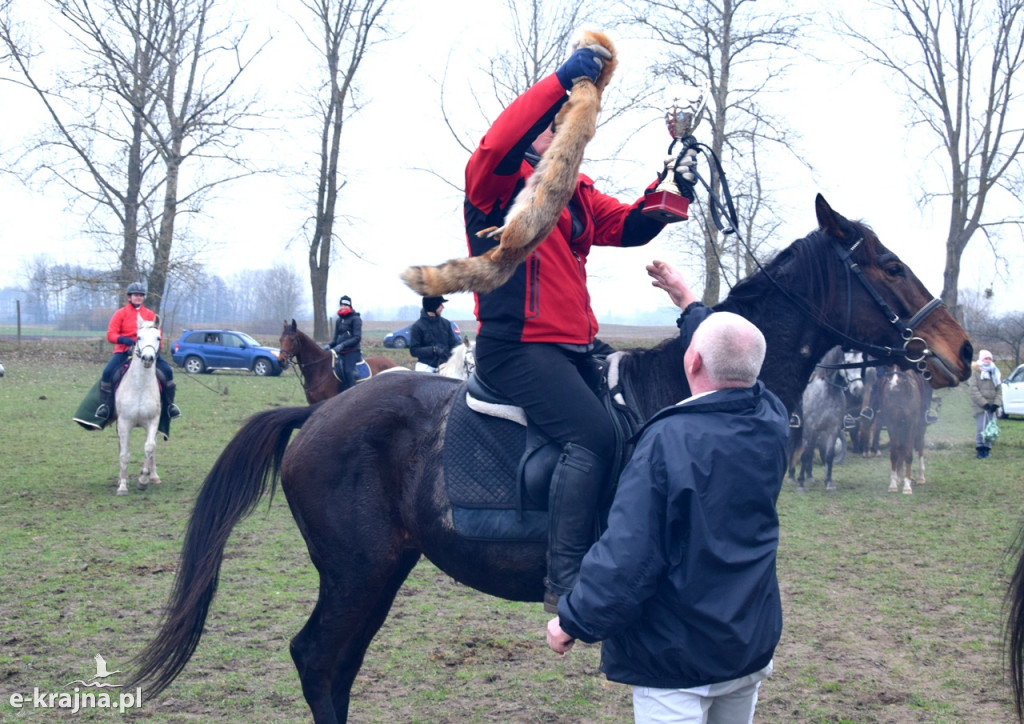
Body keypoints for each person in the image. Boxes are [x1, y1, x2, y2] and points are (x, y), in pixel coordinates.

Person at [466, 40, 692, 612]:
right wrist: (562, 79)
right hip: (516, 346)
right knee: (590, 436)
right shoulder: (494, 186)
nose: (561, 134)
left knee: (626, 425)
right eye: (551, 125)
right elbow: (496, 142)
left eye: (566, 125)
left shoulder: (576, 194)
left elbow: (633, 224)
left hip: (570, 346)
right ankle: (564, 577)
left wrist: (676, 179)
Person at [545, 311, 789, 724]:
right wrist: (692, 307)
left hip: (677, 660)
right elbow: (733, 358)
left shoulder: (668, 441)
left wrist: (574, 620)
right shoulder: (773, 418)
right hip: (747, 644)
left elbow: (631, 554)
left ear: (691, 361)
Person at [95, 281, 180, 420]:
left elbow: (159, 335)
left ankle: (169, 406)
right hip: (124, 351)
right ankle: (106, 406)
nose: (138, 297)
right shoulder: (120, 313)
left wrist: (157, 349)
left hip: (148, 352)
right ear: (129, 297)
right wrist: (123, 340)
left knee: (168, 372)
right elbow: (110, 334)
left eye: (141, 295)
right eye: (135, 295)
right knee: (107, 372)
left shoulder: (150, 314)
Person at [409, 295, 460, 373]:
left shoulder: (446, 323)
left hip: (445, 364)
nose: (443, 307)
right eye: (440, 305)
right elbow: (414, 350)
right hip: (426, 366)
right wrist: (433, 350)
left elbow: (453, 343)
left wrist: (462, 347)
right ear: (433, 306)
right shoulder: (417, 326)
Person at [968, 348, 1002, 459]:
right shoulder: (975, 372)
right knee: (980, 428)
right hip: (980, 406)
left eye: (989, 358)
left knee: (989, 429)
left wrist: (996, 404)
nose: (988, 360)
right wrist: (984, 403)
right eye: (986, 358)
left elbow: (999, 390)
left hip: (992, 407)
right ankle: (980, 449)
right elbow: (973, 390)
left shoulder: (995, 372)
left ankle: (987, 449)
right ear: (981, 359)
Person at [328, 295, 362, 392]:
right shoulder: (339, 320)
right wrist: (329, 346)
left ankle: (353, 392)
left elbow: (357, 338)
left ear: (350, 306)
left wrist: (343, 345)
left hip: (352, 352)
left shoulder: (356, 319)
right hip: (339, 353)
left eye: (345, 305)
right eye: (341, 305)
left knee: (348, 371)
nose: (343, 307)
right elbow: (335, 339)